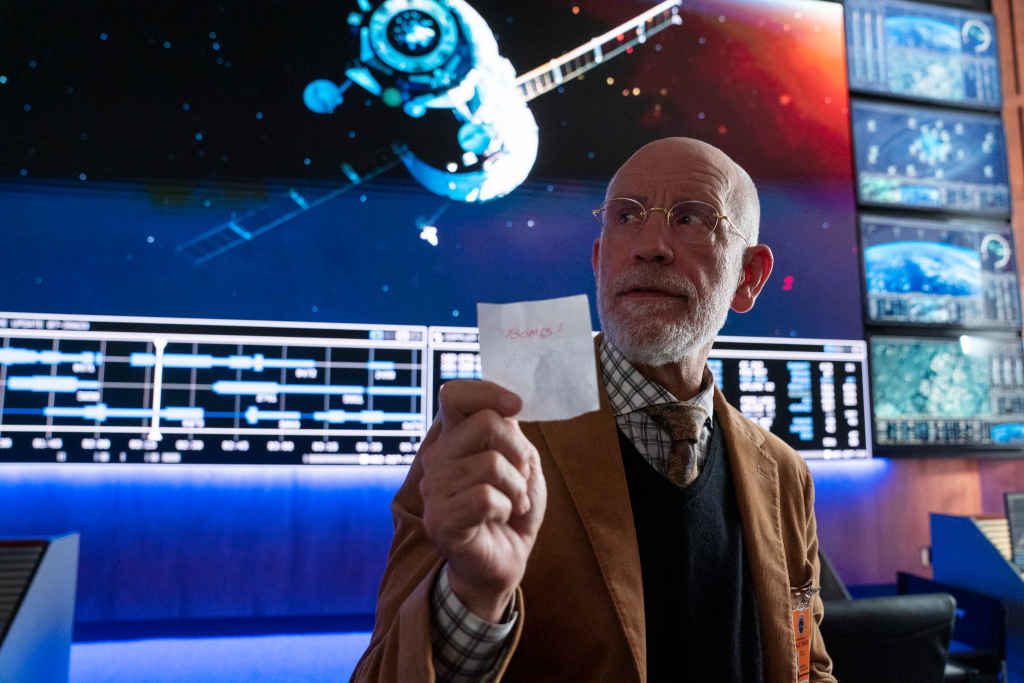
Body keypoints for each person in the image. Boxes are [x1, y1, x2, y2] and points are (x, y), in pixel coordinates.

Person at [351, 137, 835, 682]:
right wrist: (471, 597)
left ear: (748, 277)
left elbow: (806, 665)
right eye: (626, 216)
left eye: (692, 219)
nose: (649, 246)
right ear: (601, 262)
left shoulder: (784, 473)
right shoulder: (487, 443)